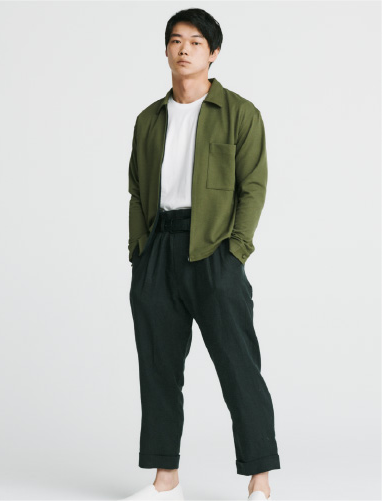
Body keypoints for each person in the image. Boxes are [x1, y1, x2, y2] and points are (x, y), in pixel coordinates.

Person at [123, 8, 280, 501]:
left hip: (214, 250)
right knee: (158, 368)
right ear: (166, 50)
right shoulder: (148, 119)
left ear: (213, 53)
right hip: (158, 249)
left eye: (195, 41)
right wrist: (139, 251)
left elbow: (253, 187)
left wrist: (236, 252)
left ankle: (260, 480)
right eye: (176, 40)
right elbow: (137, 190)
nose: (184, 48)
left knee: (238, 364)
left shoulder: (239, 113)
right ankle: (165, 481)